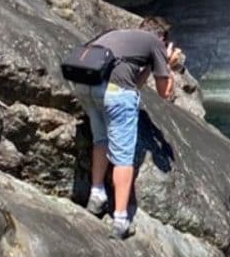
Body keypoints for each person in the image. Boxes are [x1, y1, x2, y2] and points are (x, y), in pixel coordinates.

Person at [73, 18, 182, 238]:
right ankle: (120, 220)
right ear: (162, 38)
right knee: (123, 157)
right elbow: (164, 93)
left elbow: (134, 81)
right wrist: (168, 64)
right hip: (115, 94)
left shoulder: (119, 34)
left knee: (100, 141)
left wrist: (151, 65)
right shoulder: (155, 42)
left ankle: (96, 196)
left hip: (86, 87)